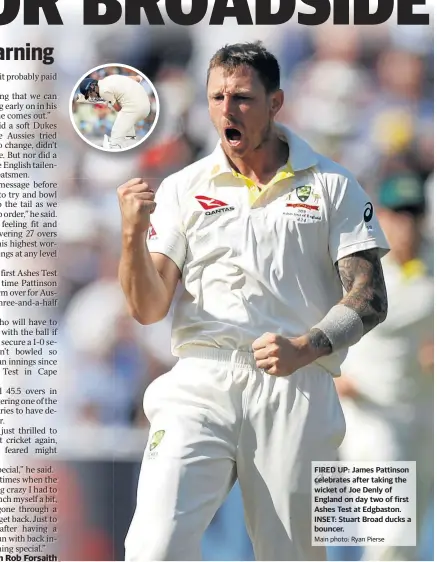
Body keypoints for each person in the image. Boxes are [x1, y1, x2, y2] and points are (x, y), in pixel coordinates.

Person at [118, 42, 390, 561]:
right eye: (217, 97)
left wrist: (306, 347)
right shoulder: (182, 188)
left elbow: (370, 297)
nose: (227, 109)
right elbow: (149, 308)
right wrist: (131, 235)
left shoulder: (332, 184)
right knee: (153, 549)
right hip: (200, 379)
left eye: (242, 97)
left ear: (276, 102)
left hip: (295, 383)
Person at [334, 172, 433, 562]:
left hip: (422, 420)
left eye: (414, 213)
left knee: (406, 545)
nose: (406, 224)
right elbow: (314, 320)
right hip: (368, 419)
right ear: (381, 217)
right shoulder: (359, 271)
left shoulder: (431, 267)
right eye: (398, 213)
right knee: (389, 542)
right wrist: (333, 373)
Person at [78, 73, 151, 149]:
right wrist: (139, 78)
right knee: (126, 121)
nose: (92, 96)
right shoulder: (109, 79)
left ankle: (116, 145)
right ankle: (130, 137)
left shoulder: (103, 91)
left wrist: (108, 104)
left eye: (90, 94)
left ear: (91, 88)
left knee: (116, 131)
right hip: (146, 105)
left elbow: (118, 108)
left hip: (136, 109)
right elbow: (134, 79)